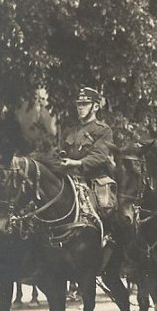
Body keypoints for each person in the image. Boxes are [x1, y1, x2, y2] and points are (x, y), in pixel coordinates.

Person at [57, 87, 116, 219]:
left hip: (94, 180)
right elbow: (60, 151)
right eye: (79, 104)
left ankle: (110, 237)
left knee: (107, 210)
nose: (80, 107)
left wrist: (77, 163)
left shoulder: (103, 131)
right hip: (71, 179)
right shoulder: (70, 130)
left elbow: (99, 156)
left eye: (85, 104)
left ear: (95, 107)